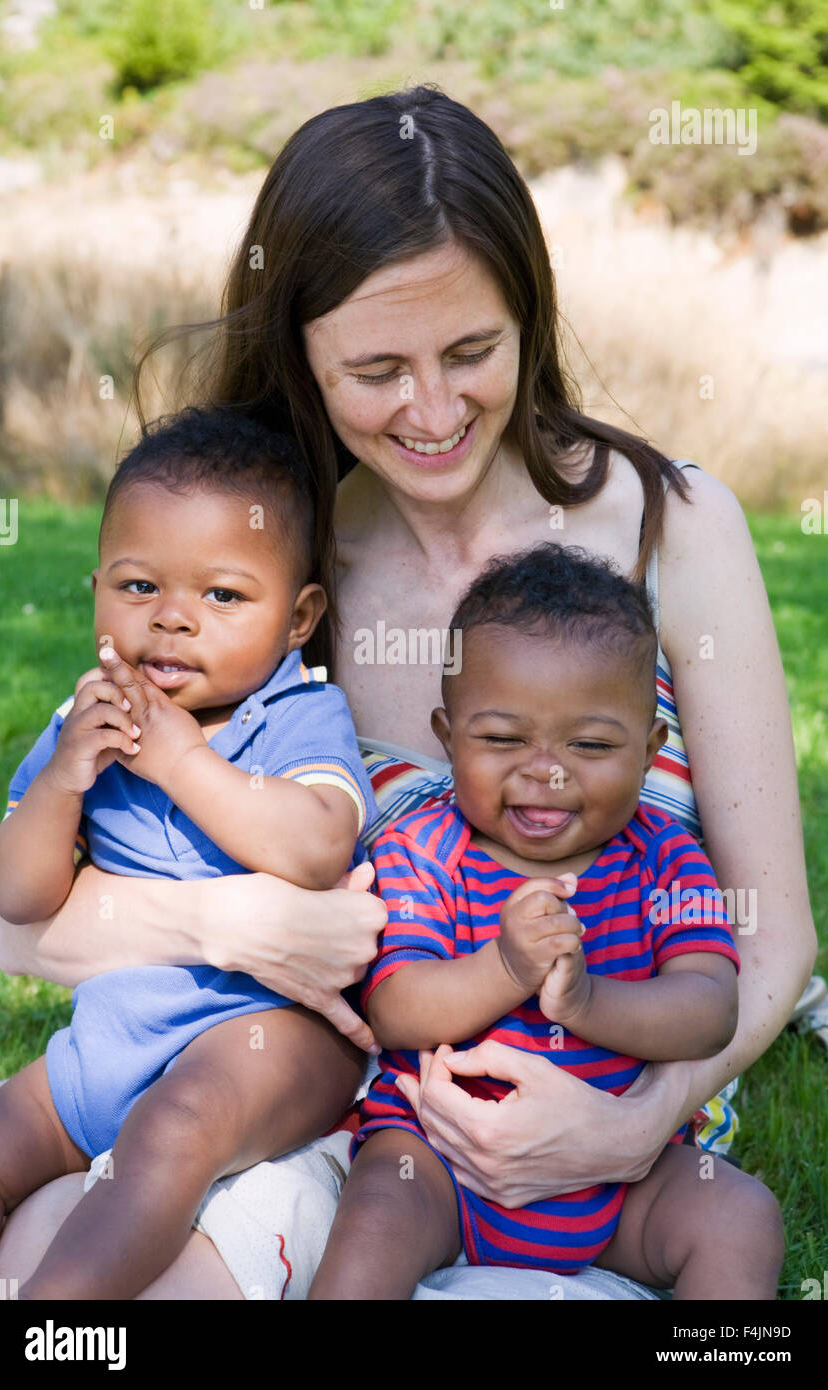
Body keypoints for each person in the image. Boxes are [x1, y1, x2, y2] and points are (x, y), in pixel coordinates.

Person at [0, 84, 816, 1301]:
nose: (433, 413)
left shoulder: (674, 528)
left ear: (528, 314)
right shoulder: (265, 565)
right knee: (43, 1238)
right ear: (303, 359)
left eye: (471, 352)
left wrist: (631, 1127)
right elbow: (27, 928)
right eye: (375, 369)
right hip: (352, 1113)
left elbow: (773, 934)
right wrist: (232, 927)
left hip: (624, 1120)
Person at [310, 544, 784, 1300]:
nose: (547, 771)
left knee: (741, 1218)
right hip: (440, 1164)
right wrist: (506, 967)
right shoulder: (426, 848)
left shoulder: (665, 858)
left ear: (651, 750)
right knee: (372, 1222)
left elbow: (709, 1010)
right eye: (502, 739)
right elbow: (394, 1009)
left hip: (619, 1177)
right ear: (447, 734)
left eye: (590, 745)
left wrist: (588, 1001)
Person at [0, 407, 377, 1300]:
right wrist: (59, 786)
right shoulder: (85, 724)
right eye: (136, 587)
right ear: (94, 591)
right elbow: (17, 893)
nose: (172, 621)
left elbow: (315, 846)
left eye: (223, 597)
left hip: (272, 1043)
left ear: (298, 616)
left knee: (175, 1124)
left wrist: (182, 759)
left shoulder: (297, 716)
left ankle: (60, 1318)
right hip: (118, 1033)